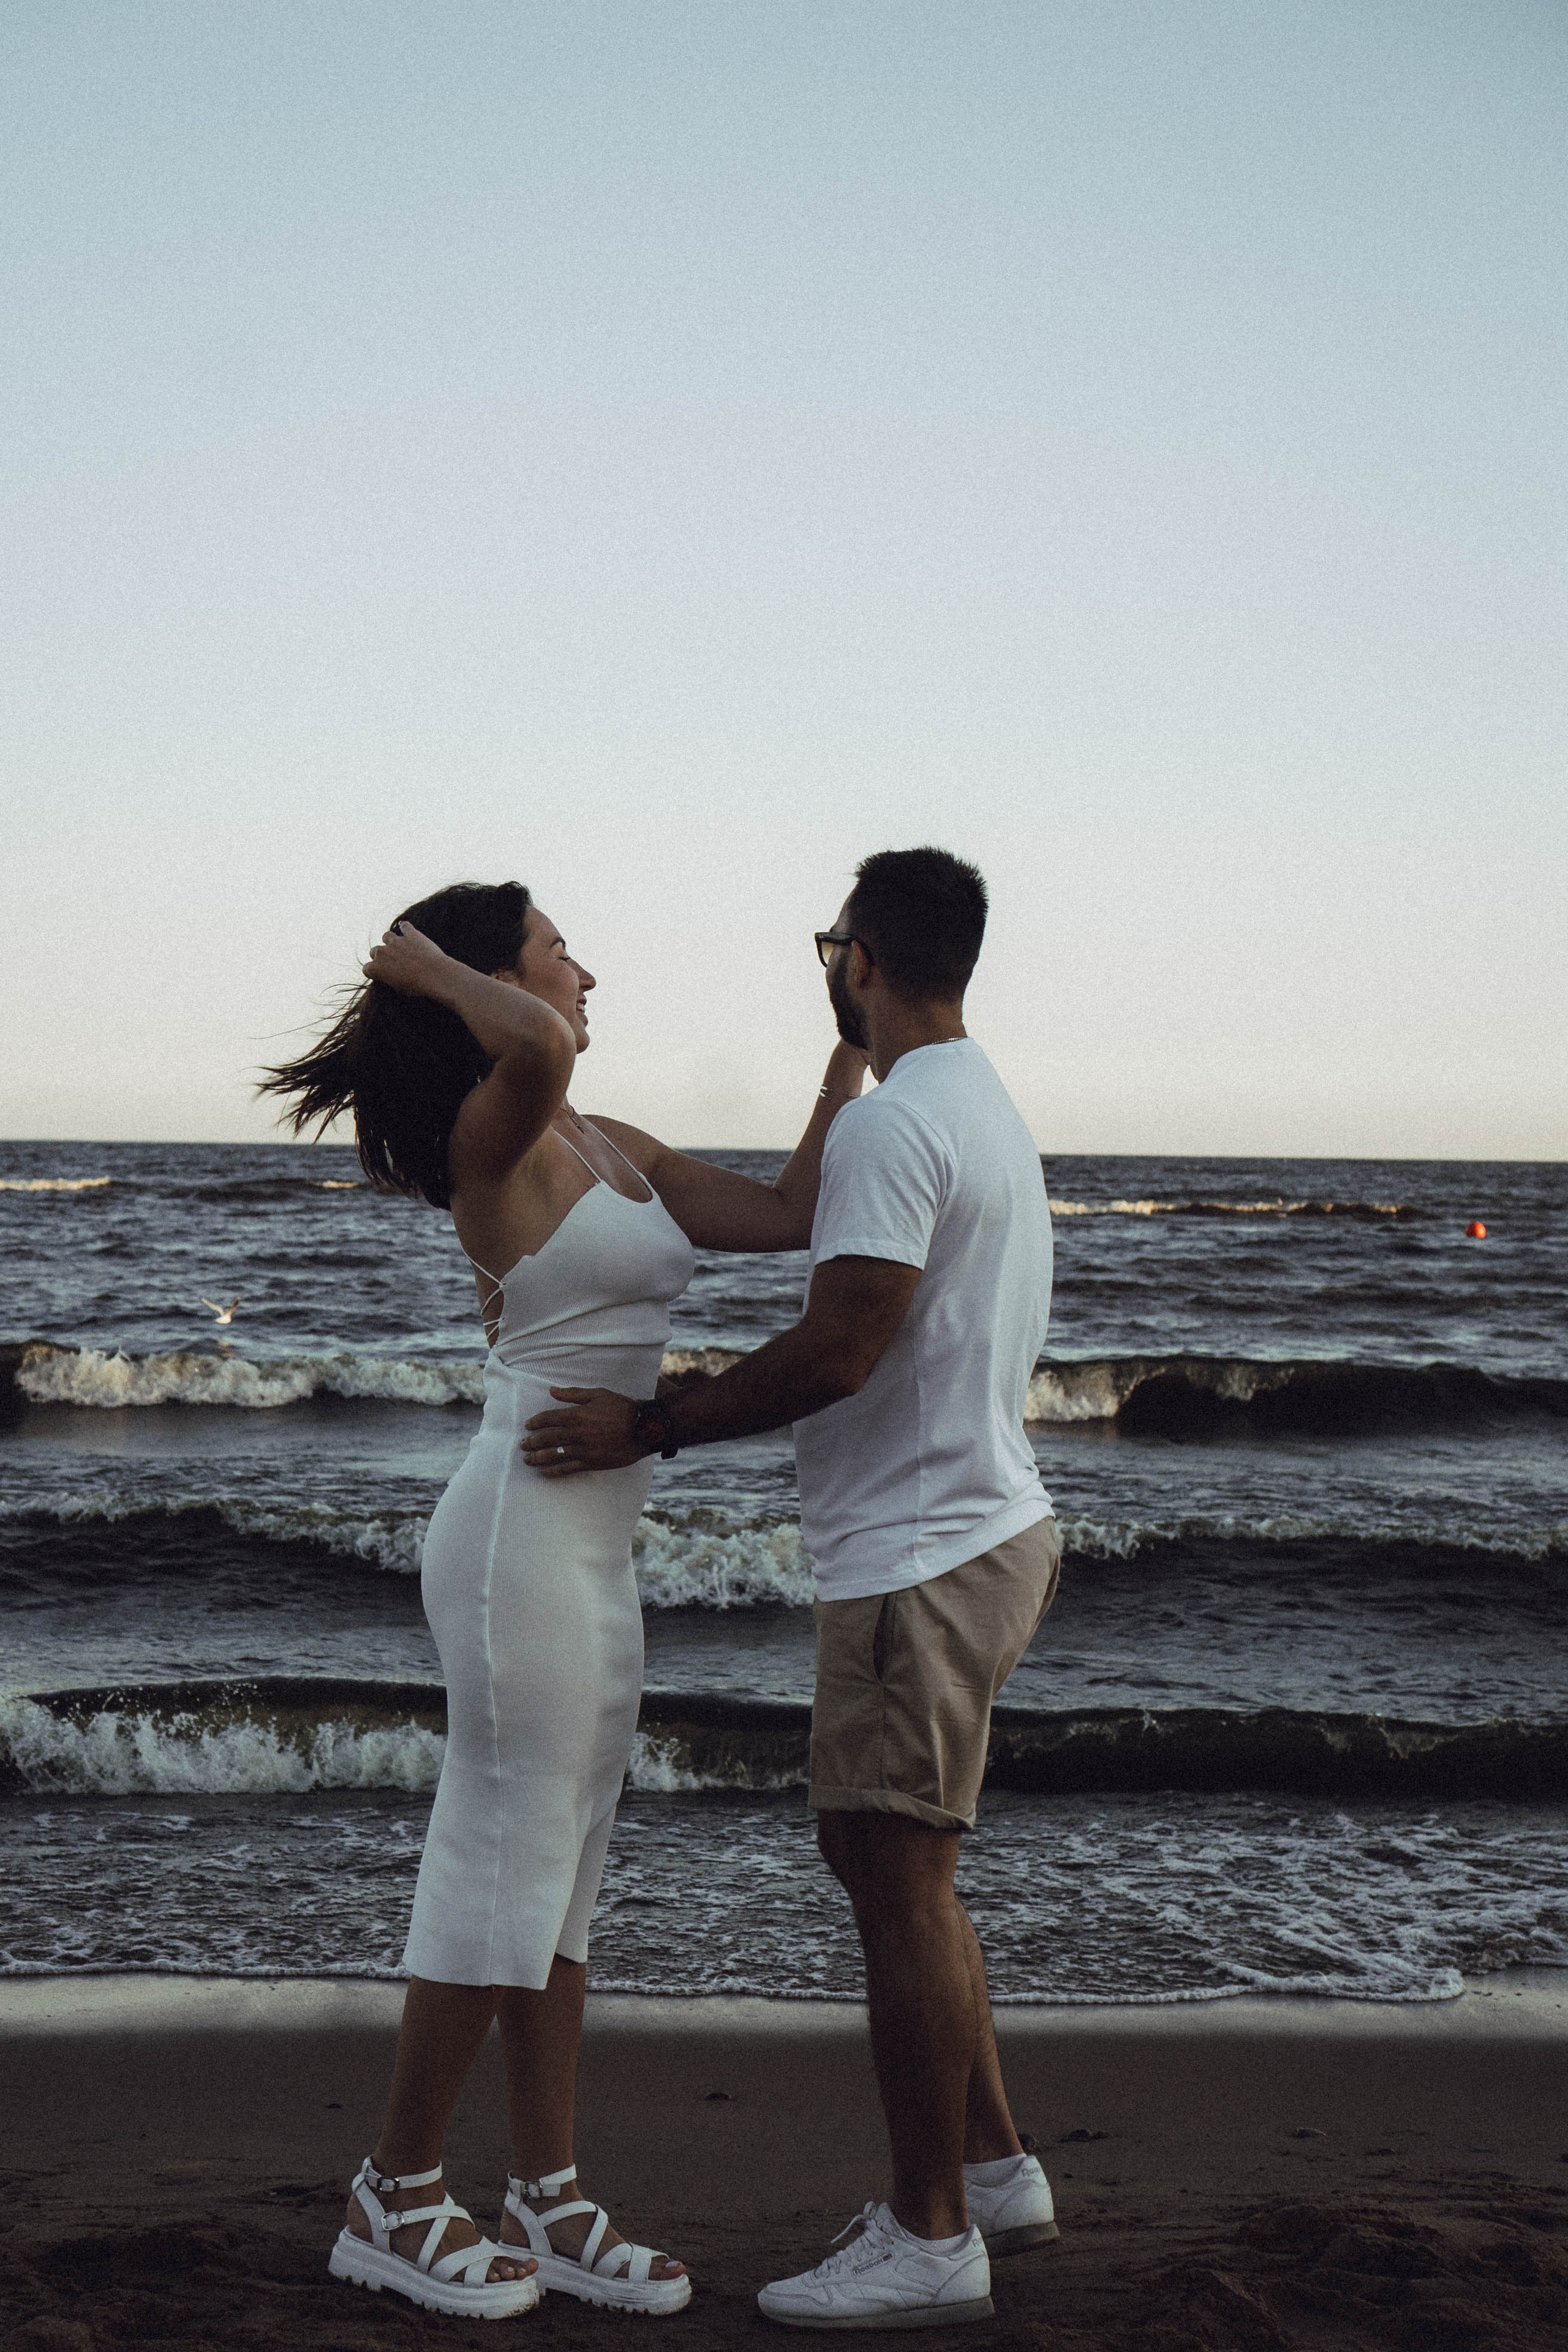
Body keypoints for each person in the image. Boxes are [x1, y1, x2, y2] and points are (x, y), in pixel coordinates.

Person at [262, 878, 867, 2322]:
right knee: (497, 1856)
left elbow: (793, 1214)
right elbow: (532, 1042)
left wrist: (846, 1049)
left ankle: (546, 2192)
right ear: (492, 981)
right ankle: (394, 2193)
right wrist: (422, 970)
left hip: (595, 1547)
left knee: (568, 1879)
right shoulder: (498, 1134)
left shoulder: (617, 1148)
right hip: (515, 1538)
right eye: (556, 950)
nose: (585, 974)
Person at [527, 845, 1060, 2331]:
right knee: (896, 1866)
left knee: (896, 1878)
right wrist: (838, 1078)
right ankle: (992, 2169)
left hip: (920, 1553)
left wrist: (654, 1423)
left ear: (859, 960)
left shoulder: (897, 1126)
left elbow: (840, 1345)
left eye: (832, 947)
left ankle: (928, 2234)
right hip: (976, 1529)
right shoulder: (973, 1102)